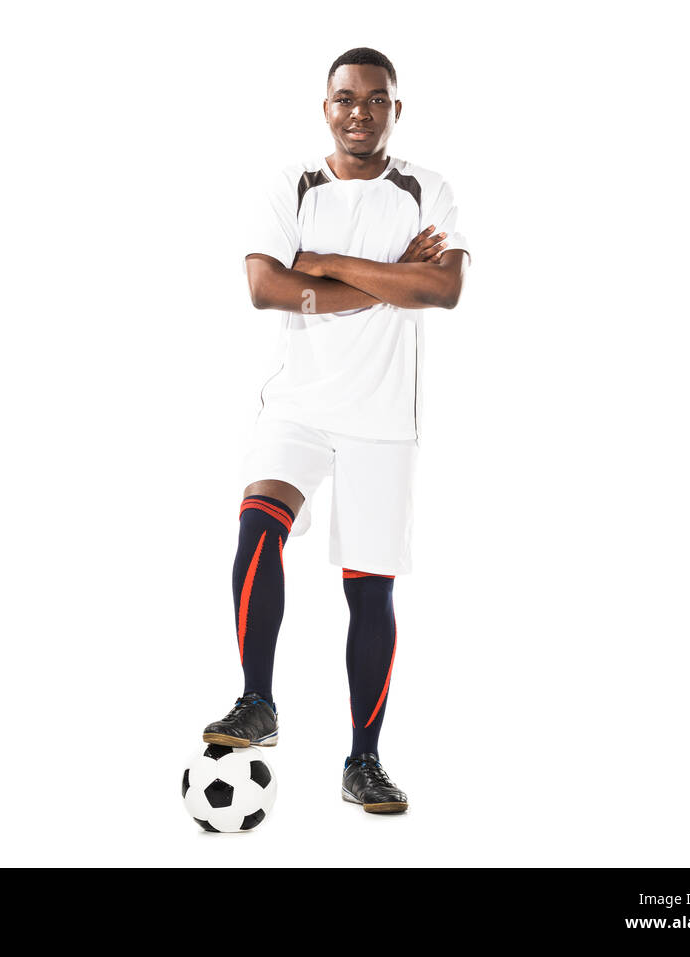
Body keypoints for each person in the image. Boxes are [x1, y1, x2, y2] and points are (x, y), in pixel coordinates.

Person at [201, 47, 471, 815]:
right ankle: (257, 701)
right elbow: (265, 287)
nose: (360, 111)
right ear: (327, 108)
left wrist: (324, 264)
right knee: (259, 524)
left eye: (376, 99)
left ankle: (365, 760)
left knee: (370, 589)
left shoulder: (428, 189)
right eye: (345, 98)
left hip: (383, 418)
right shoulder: (292, 185)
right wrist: (387, 281)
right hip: (300, 405)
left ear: (395, 108)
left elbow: (442, 289)